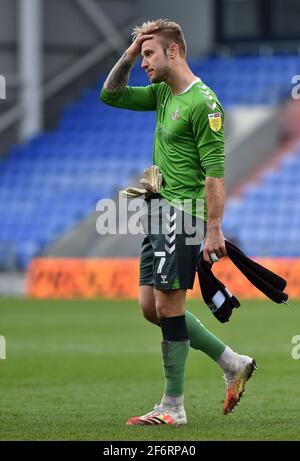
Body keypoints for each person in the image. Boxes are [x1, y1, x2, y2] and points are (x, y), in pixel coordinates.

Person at [100, 19, 257, 426]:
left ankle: (173, 407)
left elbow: (214, 174)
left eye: (150, 54)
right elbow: (110, 95)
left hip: (183, 215)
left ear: (174, 51)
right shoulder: (163, 94)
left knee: (169, 305)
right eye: (142, 55)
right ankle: (232, 362)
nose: (145, 62)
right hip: (157, 210)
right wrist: (130, 53)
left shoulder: (204, 104)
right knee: (151, 308)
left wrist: (214, 229)